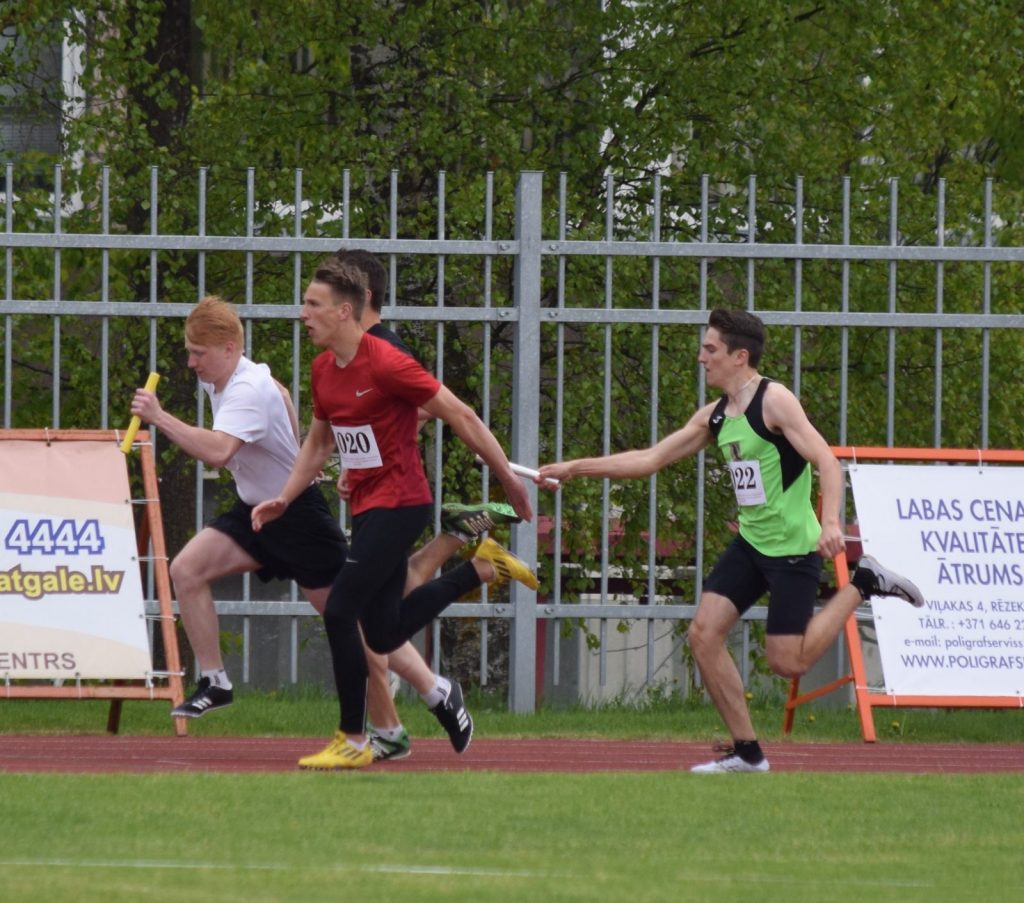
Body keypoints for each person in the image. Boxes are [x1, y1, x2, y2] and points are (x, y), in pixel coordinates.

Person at [536, 307, 925, 774]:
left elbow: (826, 460)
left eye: (711, 349)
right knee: (703, 635)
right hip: (751, 544)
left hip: (793, 548)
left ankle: (863, 583)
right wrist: (574, 468)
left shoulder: (775, 401)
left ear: (740, 356)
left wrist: (830, 523)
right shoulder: (715, 416)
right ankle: (748, 753)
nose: (702, 358)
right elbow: (649, 459)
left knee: (788, 663)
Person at [129, 295, 517, 760]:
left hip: (300, 520)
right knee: (187, 569)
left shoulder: (257, 385)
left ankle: (431, 693)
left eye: (198, 353)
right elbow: (290, 407)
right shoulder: (238, 378)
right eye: (190, 352)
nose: (191, 362)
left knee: (358, 622)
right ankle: (215, 681)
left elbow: (218, 451)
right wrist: (298, 456)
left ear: (229, 348)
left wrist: (159, 418)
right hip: (259, 510)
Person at [251, 258, 537, 771]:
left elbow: (461, 414)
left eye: (313, 305)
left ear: (344, 312)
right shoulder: (322, 369)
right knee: (382, 633)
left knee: (340, 610)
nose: (303, 314)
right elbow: (319, 443)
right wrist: (285, 497)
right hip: (367, 505)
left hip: (402, 503)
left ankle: (353, 737)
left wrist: (509, 479)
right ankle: (477, 570)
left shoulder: (387, 362)